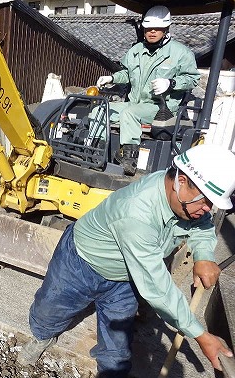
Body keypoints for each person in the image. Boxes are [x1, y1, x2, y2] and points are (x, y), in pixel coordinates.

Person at [17, 143, 235, 377]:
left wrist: (204, 256)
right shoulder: (137, 213)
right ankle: (42, 336)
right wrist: (200, 334)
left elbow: (201, 226)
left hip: (124, 277)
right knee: (49, 311)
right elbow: (157, 288)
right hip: (80, 264)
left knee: (117, 351)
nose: (206, 209)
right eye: (204, 201)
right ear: (181, 181)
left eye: (211, 203)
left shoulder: (185, 202)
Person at [95, 5, 200, 175]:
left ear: (166, 29)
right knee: (99, 110)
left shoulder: (180, 53)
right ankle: (96, 151)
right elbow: (127, 74)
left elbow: (193, 79)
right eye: (148, 28)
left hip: (160, 107)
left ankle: (129, 159)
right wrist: (112, 78)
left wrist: (171, 83)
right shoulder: (136, 51)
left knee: (130, 114)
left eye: (157, 28)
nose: (152, 32)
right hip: (135, 102)